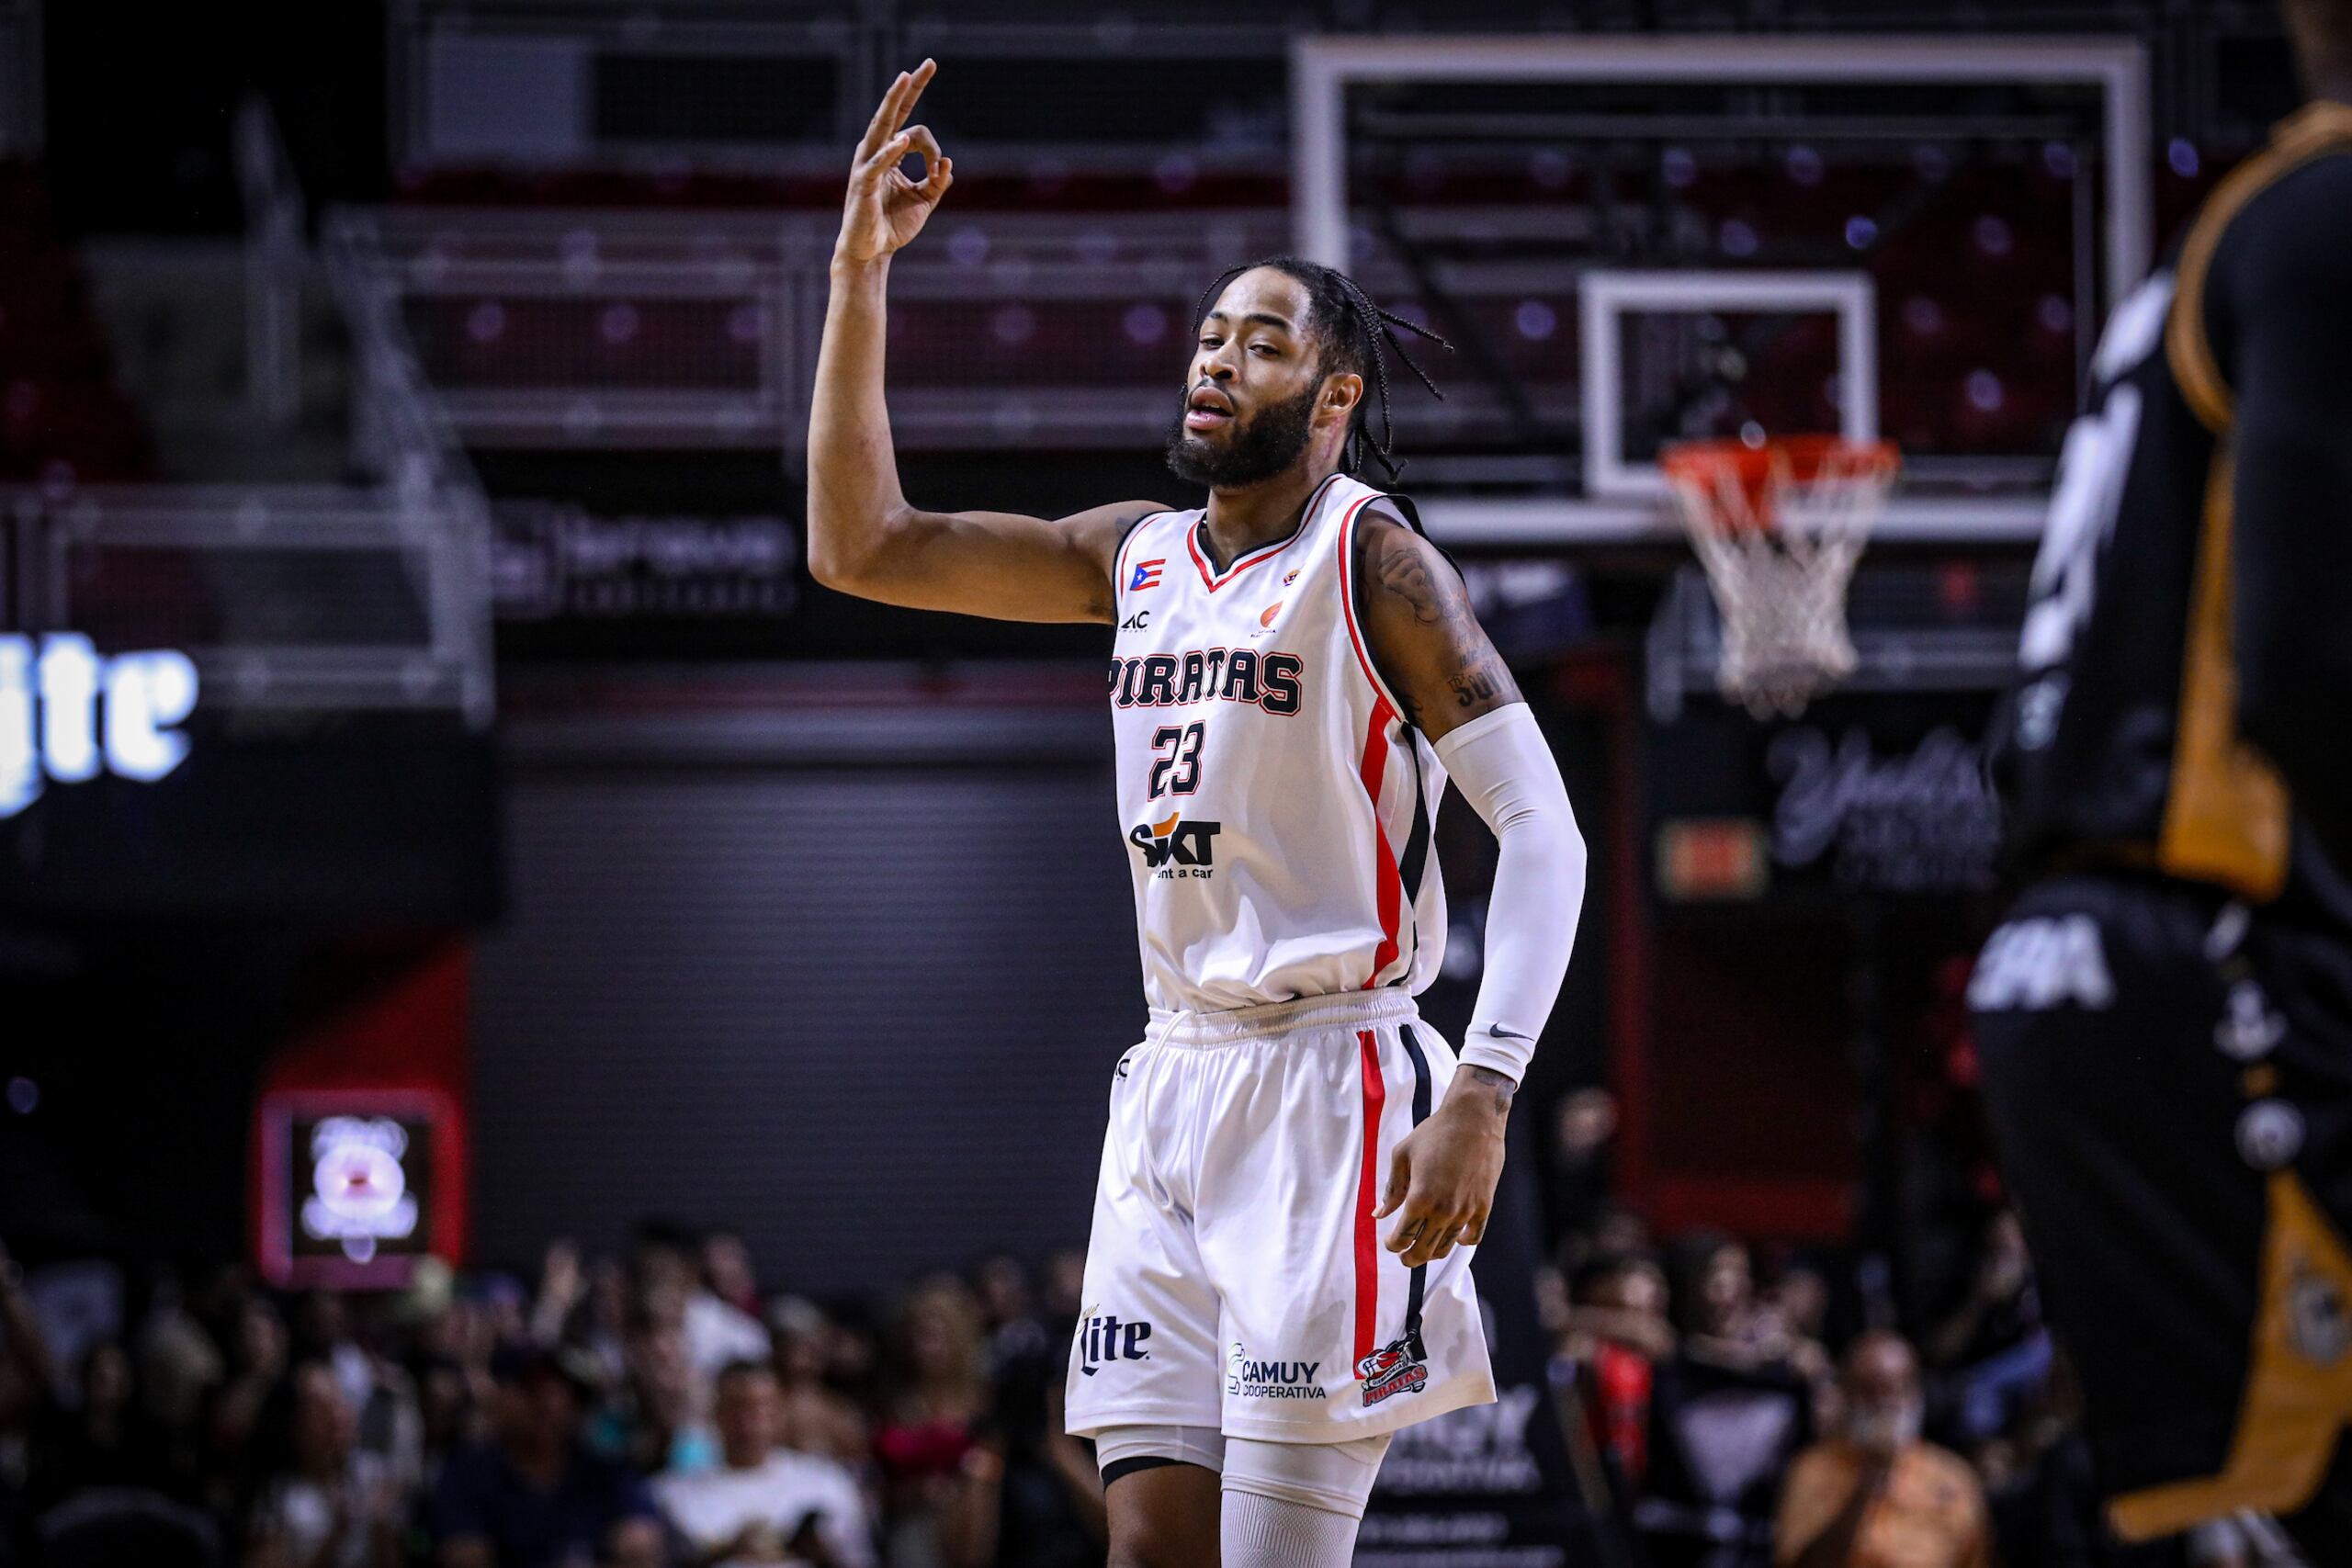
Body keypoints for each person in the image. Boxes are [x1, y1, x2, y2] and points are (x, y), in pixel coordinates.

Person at [806, 61, 1586, 1568]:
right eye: (1210, 335)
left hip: (1334, 1090)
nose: (1217, 360)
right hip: (1169, 1087)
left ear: (1334, 397)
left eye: (1262, 340)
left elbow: (1543, 829)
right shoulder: (1138, 557)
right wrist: (858, 278)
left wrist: (1485, 1086)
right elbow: (864, 546)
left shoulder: (1376, 563)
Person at [1969, 0, 2352, 1553]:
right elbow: (2310, 670)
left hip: (2111, 955)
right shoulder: (2326, 211)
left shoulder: (2237, 229)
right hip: (2221, 946)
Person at [424, 1345, 663, 1568]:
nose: (552, 1406)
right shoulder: (467, 1474)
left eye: (572, 1397)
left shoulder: (604, 1472)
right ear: (500, 1395)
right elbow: (463, 1555)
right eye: (534, 1392)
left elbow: (641, 1542)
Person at [1772, 1334, 1989, 1568]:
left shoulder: (1954, 1477)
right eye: (1871, 1391)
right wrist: (1869, 1482)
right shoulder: (1812, 1469)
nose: (1887, 1404)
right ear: (1847, 1396)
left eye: (1898, 1388)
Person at [653, 1360, 873, 1568]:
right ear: (716, 1414)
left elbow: (860, 1560)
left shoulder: (826, 1482)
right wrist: (726, 1553)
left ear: (779, 1414)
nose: (748, 1423)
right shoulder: (673, 1493)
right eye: (737, 1408)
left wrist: (822, 1556)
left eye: (760, 1409)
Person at [243, 1360, 403, 1568]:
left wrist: (382, 1529)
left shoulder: (372, 1476)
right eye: (320, 1407)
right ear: (293, 1424)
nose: (338, 1416)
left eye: (339, 1401)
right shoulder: (277, 1497)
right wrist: (335, 1538)